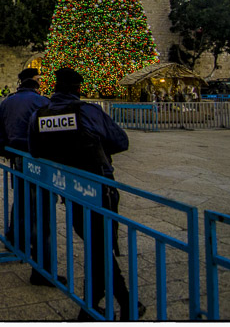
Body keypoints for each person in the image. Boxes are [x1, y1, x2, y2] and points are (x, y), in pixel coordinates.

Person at [27, 68, 145, 321]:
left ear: (55, 88)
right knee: (100, 246)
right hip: (98, 186)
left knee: (96, 244)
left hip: (69, 189)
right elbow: (121, 141)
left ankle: (99, 306)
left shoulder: (40, 115)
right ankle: (122, 304)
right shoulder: (86, 111)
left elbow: (35, 151)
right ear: (77, 88)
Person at [0, 68, 55, 286]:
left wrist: (4, 149)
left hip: (16, 158)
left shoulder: (7, 102)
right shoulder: (42, 102)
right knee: (40, 211)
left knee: (20, 197)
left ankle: (14, 237)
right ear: (36, 86)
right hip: (37, 160)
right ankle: (42, 267)